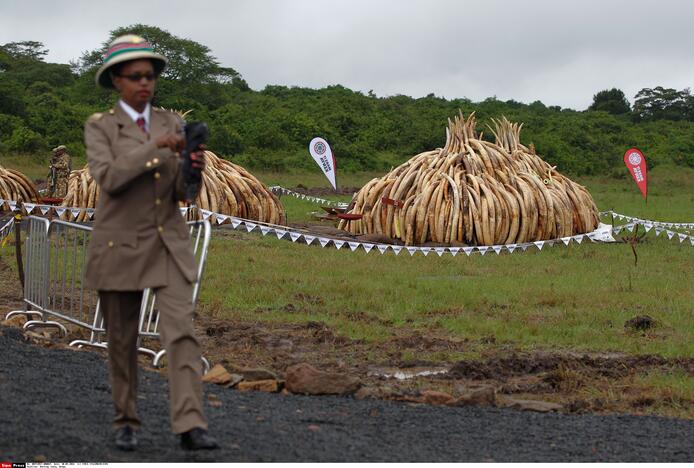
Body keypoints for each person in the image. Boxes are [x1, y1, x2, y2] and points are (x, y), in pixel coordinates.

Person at [84, 34, 217, 452]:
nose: (145, 83)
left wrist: (191, 169)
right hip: (119, 244)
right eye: (135, 76)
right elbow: (110, 178)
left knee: (180, 332)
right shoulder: (100, 127)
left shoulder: (171, 123)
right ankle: (126, 420)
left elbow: (179, 192)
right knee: (122, 340)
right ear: (116, 81)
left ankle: (190, 424)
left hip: (168, 243)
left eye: (151, 76)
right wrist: (158, 149)